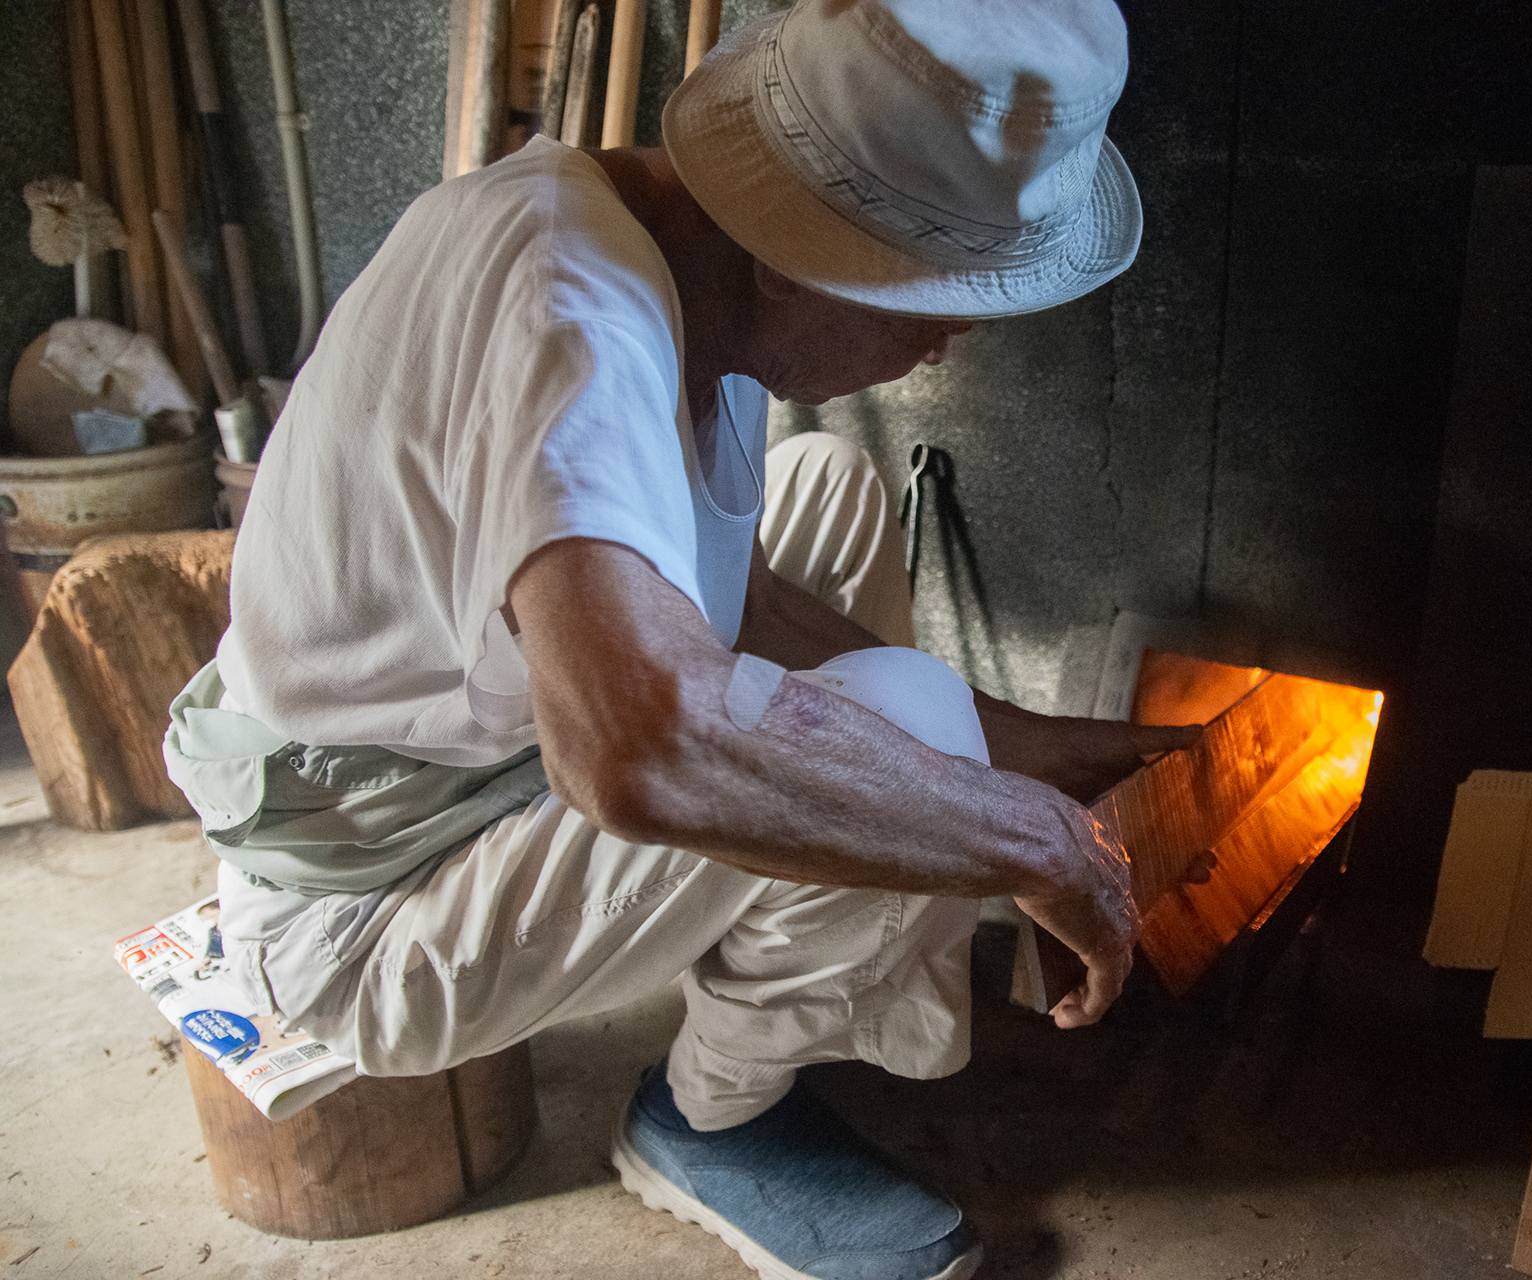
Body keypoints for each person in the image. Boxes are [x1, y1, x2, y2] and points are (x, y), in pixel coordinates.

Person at [163, 2, 1196, 1277]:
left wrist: (1035, 750)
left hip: (475, 747)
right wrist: (1018, 830)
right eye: (930, 303)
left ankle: (825, 950)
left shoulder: (654, 244)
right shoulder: (568, 313)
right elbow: (635, 747)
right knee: (908, 721)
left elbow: (726, 598)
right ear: (786, 249)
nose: (949, 342)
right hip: (359, 909)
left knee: (823, 486)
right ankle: (710, 1116)